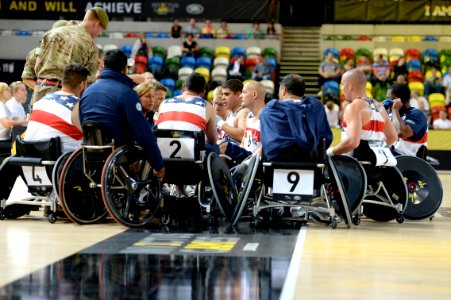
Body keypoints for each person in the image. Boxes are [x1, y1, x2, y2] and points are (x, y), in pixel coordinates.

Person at [74, 49, 165, 180]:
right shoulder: (127, 93)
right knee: (148, 142)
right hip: (119, 151)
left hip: (91, 151)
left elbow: (83, 123)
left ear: (104, 66)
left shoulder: (88, 91)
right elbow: (142, 132)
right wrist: (158, 165)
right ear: (125, 69)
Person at [32, 7, 109, 104]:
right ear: (97, 24)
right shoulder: (91, 46)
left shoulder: (52, 32)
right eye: (102, 29)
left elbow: (37, 66)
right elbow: (87, 84)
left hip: (40, 92)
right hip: (65, 99)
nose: (100, 33)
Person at [326, 69, 397, 162]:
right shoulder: (380, 106)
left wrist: (330, 152)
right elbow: (392, 137)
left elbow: (352, 142)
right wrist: (375, 151)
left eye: (343, 84)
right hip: (375, 167)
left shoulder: (353, 107)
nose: (342, 88)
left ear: (350, 86)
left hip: (354, 167)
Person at [260, 74, 333, 162]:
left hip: (275, 161)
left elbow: (265, 139)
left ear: (283, 90)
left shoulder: (271, 109)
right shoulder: (316, 108)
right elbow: (326, 138)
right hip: (310, 162)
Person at [24, 63, 89, 154]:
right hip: (60, 156)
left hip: (28, 151)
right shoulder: (78, 105)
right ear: (82, 84)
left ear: (62, 82)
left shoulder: (41, 101)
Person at [156, 72, 218, 154]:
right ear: (203, 92)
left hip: (161, 152)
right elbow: (213, 140)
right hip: (191, 157)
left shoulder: (164, 103)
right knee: (215, 147)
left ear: (183, 87)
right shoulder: (207, 106)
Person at [219, 81, 266, 163]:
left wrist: (248, 163)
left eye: (244, 92)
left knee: (223, 146)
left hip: (255, 161)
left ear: (254, 95)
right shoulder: (250, 115)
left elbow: (265, 147)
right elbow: (243, 143)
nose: (240, 96)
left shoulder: (266, 117)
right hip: (246, 157)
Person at [383, 83, 428, 158]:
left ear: (397, 100)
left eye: (388, 98)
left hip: (410, 163)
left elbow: (401, 132)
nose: (386, 101)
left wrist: (395, 109)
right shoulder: (390, 114)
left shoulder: (417, 114)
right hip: (392, 159)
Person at [218, 79, 250, 145]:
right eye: (222, 94)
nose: (223, 98)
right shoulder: (230, 114)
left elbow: (242, 136)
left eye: (226, 94)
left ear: (238, 94)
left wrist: (221, 124)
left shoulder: (243, 112)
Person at [0, 82, 28, 153]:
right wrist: (25, 121)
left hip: (6, 138)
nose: (9, 91)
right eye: (6, 90)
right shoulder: (3, 105)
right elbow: (8, 124)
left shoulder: (4, 105)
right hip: (3, 140)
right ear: (1, 92)